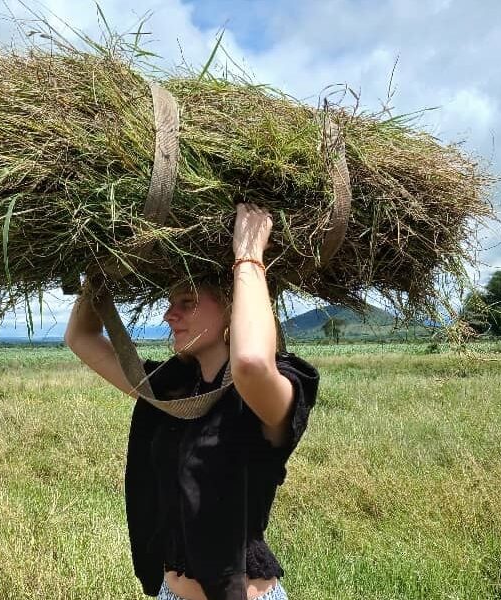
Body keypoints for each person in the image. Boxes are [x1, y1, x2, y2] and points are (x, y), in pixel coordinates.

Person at [64, 204, 319, 600]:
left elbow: (251, 361)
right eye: (170, 302)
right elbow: (80, 339)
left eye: (186, 302)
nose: (169, 314)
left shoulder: (274, 390)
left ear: (232, 308)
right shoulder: (174, 388)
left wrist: (248, 254)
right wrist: (99, 269)